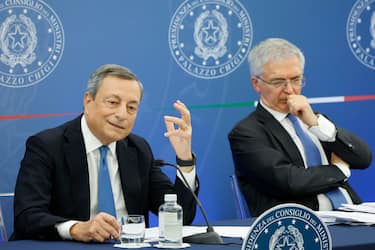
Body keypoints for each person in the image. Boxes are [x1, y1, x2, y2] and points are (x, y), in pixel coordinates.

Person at [12, 64, 198, 242]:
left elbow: (181, 217)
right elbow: (27, 216)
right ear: (88, 100)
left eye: (131, 107)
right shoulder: (47, 146)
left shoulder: (138, 149)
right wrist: (76, 229)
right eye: (113, 102)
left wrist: (185, 159)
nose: (122, 114)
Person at [228, 38, 372, 217]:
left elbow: (363, 158)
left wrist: (316, 124)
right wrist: (340, 171)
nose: (290, 90)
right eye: (278, 82)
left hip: (352, 217)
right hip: (299, 226)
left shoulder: (314, 121)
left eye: (296, 79)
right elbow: (289, 181)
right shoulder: (246, 133)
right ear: (256, 83)